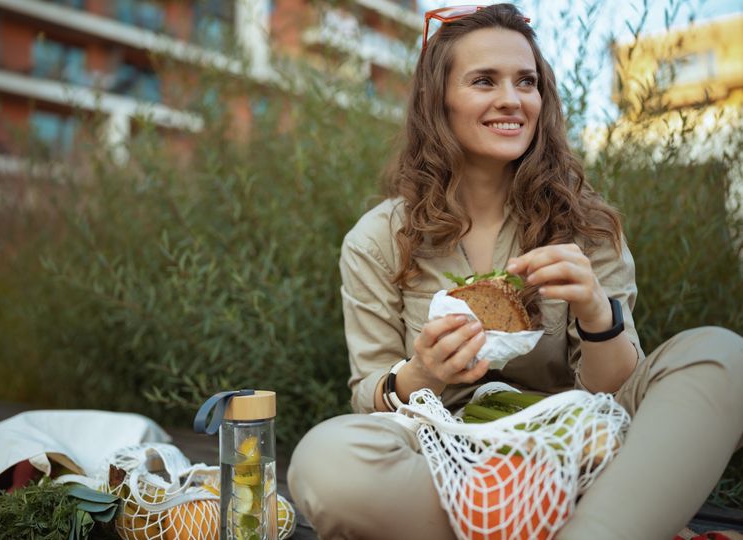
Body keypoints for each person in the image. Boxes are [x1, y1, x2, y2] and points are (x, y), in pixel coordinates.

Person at [287, 4, 743, 539]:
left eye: (526, 81)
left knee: (721, 355)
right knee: (325, 459)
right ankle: (607, 522)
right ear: (439, 102)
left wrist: (598, 313)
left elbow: (615, 396)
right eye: (484, 80)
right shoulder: (378, 239)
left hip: (581, 448)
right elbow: (370, 394)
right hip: (450, 457)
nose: (512, 99)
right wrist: (423, 373)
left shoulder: (587, 225)